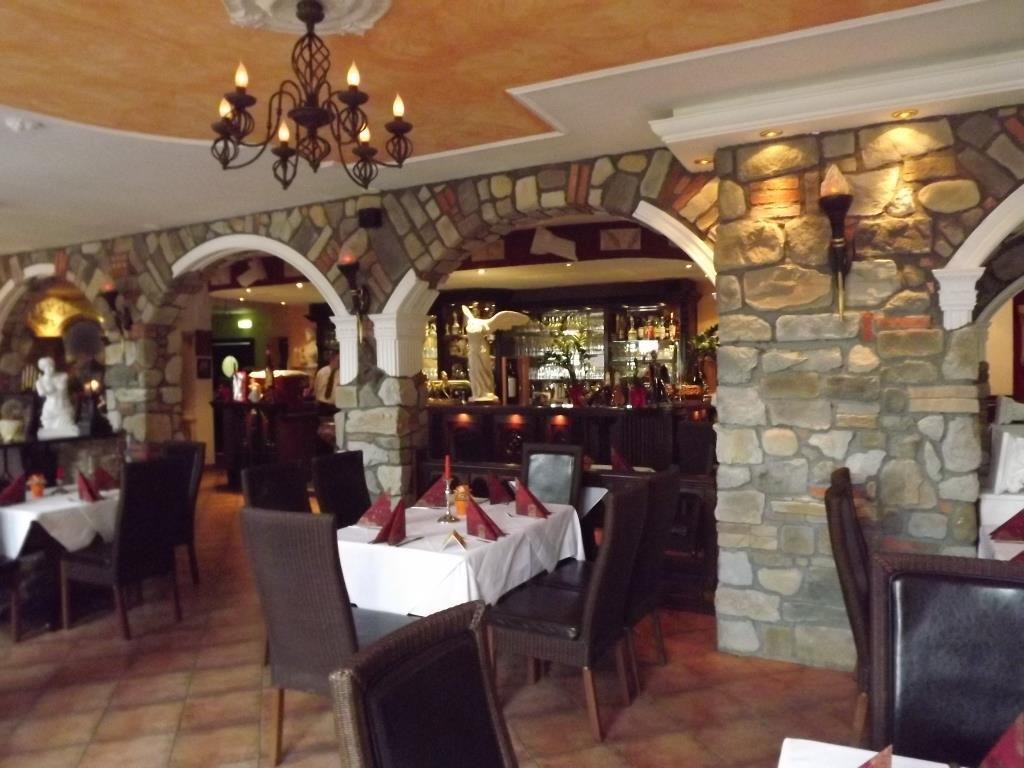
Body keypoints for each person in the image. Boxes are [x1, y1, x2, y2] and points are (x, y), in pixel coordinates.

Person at [35, 357, 78, 437]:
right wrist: (42, 384)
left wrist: (47, 385)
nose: (51, 368)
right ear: (43, 369)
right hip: (49, 408)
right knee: (48, 429)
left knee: (67, 427)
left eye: (52, 366)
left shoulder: (62, 376)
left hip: (63, 406)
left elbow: (61, 390)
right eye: (48, 367)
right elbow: (41, 393)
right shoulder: (39, 381)